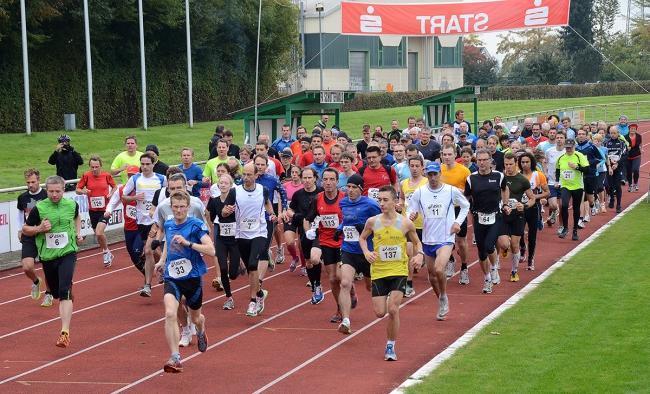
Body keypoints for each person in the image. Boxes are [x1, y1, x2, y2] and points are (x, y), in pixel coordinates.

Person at [360, 186, 422, 361]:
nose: (381, 203)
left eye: (385, 200)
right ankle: (387, 302)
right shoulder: (372, 222)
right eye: (379, 200)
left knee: (393, 309)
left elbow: (417, 243)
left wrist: (419, 255)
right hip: (379, 271)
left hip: (399, 270)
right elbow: (362, 238)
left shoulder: (405, 223)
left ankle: (390, 346)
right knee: (380, 313)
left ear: (396, 202)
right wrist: (366, 252)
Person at [154, 191, 214, 373]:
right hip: (172, 277)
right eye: (175, 207)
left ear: (188, 207)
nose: (179, 210)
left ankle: (201, 329)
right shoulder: (169, 223)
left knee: (196, 317)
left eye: (182, 207)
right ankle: (175, 357)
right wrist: (162, 261)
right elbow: (168, 244)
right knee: (170, 313)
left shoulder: (196, 225)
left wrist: (188, 243)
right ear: (171, 207)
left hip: (193, 278)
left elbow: (211, 250)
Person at [22, 175, 83, 348]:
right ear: (46, 191)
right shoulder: (40, 208)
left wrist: (78, 233)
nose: (54, 195)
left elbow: (77, 217)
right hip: (48, 256)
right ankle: (64, 295)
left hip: (68, 252)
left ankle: (65, 332)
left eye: (58, 191)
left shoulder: (72, 204)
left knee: (64, 290)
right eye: (51, 191)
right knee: (56, 293)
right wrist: (39, 228)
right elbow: (25, 229)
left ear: (64, 190)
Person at [408, 162, 469, 320]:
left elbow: (465, 205)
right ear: (426, 175)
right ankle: (441, 297)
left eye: (435, 174)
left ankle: (443, 296)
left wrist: (457, 223)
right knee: (432, 276)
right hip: (428, 239)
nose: (433, 177)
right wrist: (411, 215)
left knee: (439, 269)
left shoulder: (450, 191)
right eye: (430, 175)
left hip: (445, 238)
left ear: (440, 174)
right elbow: (411, 208)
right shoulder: (420, 192)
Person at [337, 174, 381, 334]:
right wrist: (339, 229)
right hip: (349, 250)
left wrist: (364, 228)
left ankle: (359, 292)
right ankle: (346, 320)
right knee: (344, 283)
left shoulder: (371, 205)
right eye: (348, 187)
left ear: (361, 189)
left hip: (367, 252)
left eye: (354, 187)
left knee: (370, 287)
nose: (350, 190)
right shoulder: (343, 203)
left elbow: (380, 224)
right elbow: (346, 220)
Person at [232, 163, 276, 317]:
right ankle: (259, 294)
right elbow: (227, 207)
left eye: (249, 175)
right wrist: (225, 211)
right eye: (244, 174)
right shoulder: (235, 191)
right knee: (251, 271)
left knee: (252, 264)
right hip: (241, 234)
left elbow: (267, 203)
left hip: (259, 232)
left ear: (257, 175)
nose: (246, 178)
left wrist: (272, 214)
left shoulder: (262, 190)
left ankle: (252, 301)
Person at [464, 149, 510, 294]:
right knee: (481, 252)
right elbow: (467, 197)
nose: (482, 163)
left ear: (491, 161)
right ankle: (487, 278)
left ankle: (494, 267)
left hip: (495, 216)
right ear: (476, 161)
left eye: (485, 160)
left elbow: (505, 189)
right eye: (479, 160)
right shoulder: (471, 178)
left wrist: (506, 204)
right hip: (478, 218)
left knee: (490, 246)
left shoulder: (499, 176)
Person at [122, 152, 166, 297]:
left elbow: (169, 195)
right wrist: (134, 197)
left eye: (148, 164)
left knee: (148, 250)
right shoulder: (135, 179)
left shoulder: (161, 178)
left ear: (154, 164)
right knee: (152, 251)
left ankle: (147, 285)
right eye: (143, 164)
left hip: (159, 221)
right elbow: (124, 197)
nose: (145, 167)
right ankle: (162, 269)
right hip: (142, 221)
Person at [305, 168, 346, 322]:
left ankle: (351, 290)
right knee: (333, 279)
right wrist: (309, 232)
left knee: (342, 278)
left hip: (343, 241)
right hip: (326, 240)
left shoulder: (344, 198)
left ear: (337, 181)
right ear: (322, 181)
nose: (328, 183)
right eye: (326, 180)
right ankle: (340, 309)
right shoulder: (317, 199)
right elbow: (309, 218)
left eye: (332, 179)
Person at [287, 168, 324, 303]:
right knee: (308, 263)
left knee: (316, 259)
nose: (307, 181)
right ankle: (314, 286)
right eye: (305, 178)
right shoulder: (298, 194)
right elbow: (291, 208)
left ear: (315, 178)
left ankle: (318, 285)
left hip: (320, 231)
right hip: (305, 230)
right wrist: (291, 213)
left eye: (310, 177)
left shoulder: (321, 192)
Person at [498, 153, 535, 282]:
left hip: (517, 216)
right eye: (506, 164)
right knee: (503, 244)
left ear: (516, 163)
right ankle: (504, 249)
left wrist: (524, 206)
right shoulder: (499, 177)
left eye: (511, 164)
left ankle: (514, 271)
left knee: (515, 245)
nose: (508, 167)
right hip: (503, 215)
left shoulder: (522, 180)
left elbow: (532, 199)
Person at [16, 168, 51, 305]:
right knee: (27, 266)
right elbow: (20, 213)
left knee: (47, 266)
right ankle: (36, 281)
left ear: (39, 180)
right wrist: (20, 229)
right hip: (29, 233)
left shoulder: (46, 195)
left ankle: (48, 293)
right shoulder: (22, 197)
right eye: (28, 182)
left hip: (44, 234)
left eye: (33, 182)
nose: (30, 185)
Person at [205, 174, 240, 311]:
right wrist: (210, 226)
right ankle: (229, 297)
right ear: (218, 185)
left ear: (231, 185)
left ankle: (239, 265)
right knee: (223, 268)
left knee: (233, 274)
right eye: (221, 183)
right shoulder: (214, 201)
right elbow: (208, 213)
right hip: (220, 236)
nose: (223, 185)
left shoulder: (236, 200)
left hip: (235, 238)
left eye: (226, 183)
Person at [76, 155, 117, 267]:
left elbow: (115, 187)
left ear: (101, 166)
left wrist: (111, 194)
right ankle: (107, 251)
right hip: (92, 210)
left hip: (105, 210)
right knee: (98, 234)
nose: (94, 169)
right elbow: (77, 190)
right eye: (92, 167)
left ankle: (105, 253)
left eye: (96, 167)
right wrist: (84, 191)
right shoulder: (86, 176)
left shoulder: (106, 175)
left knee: (99, 232)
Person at [105, 166, 145, 276]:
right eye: (129, 175)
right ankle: (147, 274)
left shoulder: (145, 189)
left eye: (133, 175)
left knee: (137, 251)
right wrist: (108, 211)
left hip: (141, 227)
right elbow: (113, 202)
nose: (131, 177)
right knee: (132, 254)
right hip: (129, 228)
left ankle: (152, 265)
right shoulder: (122, 189)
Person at [440, 145, 472, 284]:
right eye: (444, 154)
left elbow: (470, 191)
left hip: (458, 209)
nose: (446, 157)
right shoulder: (439, 170)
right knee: (444, 239)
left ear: (454, 155)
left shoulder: (464, 171)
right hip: (443, 210)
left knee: (461, 240)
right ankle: (451, 259)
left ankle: (464, 267)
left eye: (449, 154)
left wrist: (461, 192)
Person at [399, 156, 427, 297]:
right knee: (408, 252)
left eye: (417, 166)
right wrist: (399, 204)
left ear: (422, 167)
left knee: (421, 256)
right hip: (407, 224)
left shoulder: (426, 182)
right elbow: (402, 198)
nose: (414, 169)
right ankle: (408, 284)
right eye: (412, 166)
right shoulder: (404, 183)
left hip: (424, 225)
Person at [518, 152, 549, 271]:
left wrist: (534, 197)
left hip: (533, 208)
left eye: (527, 162)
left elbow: (547, 192)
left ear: (531, 162)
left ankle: (530, 259)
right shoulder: (517, 175)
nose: (525, 164)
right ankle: (522, 247)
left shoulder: (538, 175)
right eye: (522, 162)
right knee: (519, 231)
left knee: (532, 235)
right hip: (520, 208)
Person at [555, 139, 589, 240]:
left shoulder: (579, 156)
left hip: (577, 186)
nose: (568, 149)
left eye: (570, 147)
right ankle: (565, 228)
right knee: (564, 205)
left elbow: (587, 169)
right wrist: (557, 181)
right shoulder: (561, 158)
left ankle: (575, 230)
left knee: (576, 208)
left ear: (574, 146)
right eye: (567, 147)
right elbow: (557, 169)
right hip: (565, 185)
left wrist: (577, 167)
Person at [282, 165, 305, 273]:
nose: (294, 174)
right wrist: (282, 212)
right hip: (289, 215)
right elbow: (281, 200)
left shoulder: (304, 186)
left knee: (302, 244)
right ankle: (295, 257)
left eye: (296, 172)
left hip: (300, 216)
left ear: (300, 174)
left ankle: (304, 266)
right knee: (289, 242)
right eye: (292, 172)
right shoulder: (285, 186)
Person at [545, 131, 566, 230]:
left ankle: (561, 225)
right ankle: (553, 212)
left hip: (564, 182)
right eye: (557, 137)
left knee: (562, 206)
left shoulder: (567, 152)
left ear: (564, 139)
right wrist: (545, 172)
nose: (559, 139)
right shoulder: (549, 151)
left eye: (561, 137)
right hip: (551, 182)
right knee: (553, 205)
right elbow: (545, 162)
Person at [604, 126, 627, 213]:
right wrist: (609, 165)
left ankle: (618, 205)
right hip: (609, 167)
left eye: (614, 133)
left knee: (617, 186)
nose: (613, 135)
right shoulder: (606, 143)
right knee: (609, 185)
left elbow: (624, 155)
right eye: (611, 133)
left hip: (618, 167)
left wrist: (617, 164)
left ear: (618, 133)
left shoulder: (622, 143)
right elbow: (604, 156)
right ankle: (612, 198)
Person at [624, 124, 642, 192]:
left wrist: (641, 149)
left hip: (636, 155)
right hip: (628, 156)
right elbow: (623, 145)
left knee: (636, 169)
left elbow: (640, 144)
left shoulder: (639, 136)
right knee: (629, 171)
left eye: (634, 129)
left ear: (636, 129)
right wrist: (626, 148)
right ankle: (630, 185)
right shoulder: (625, 137)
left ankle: (635, 183)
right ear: (629, 129)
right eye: (631, 128)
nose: (632, 130)